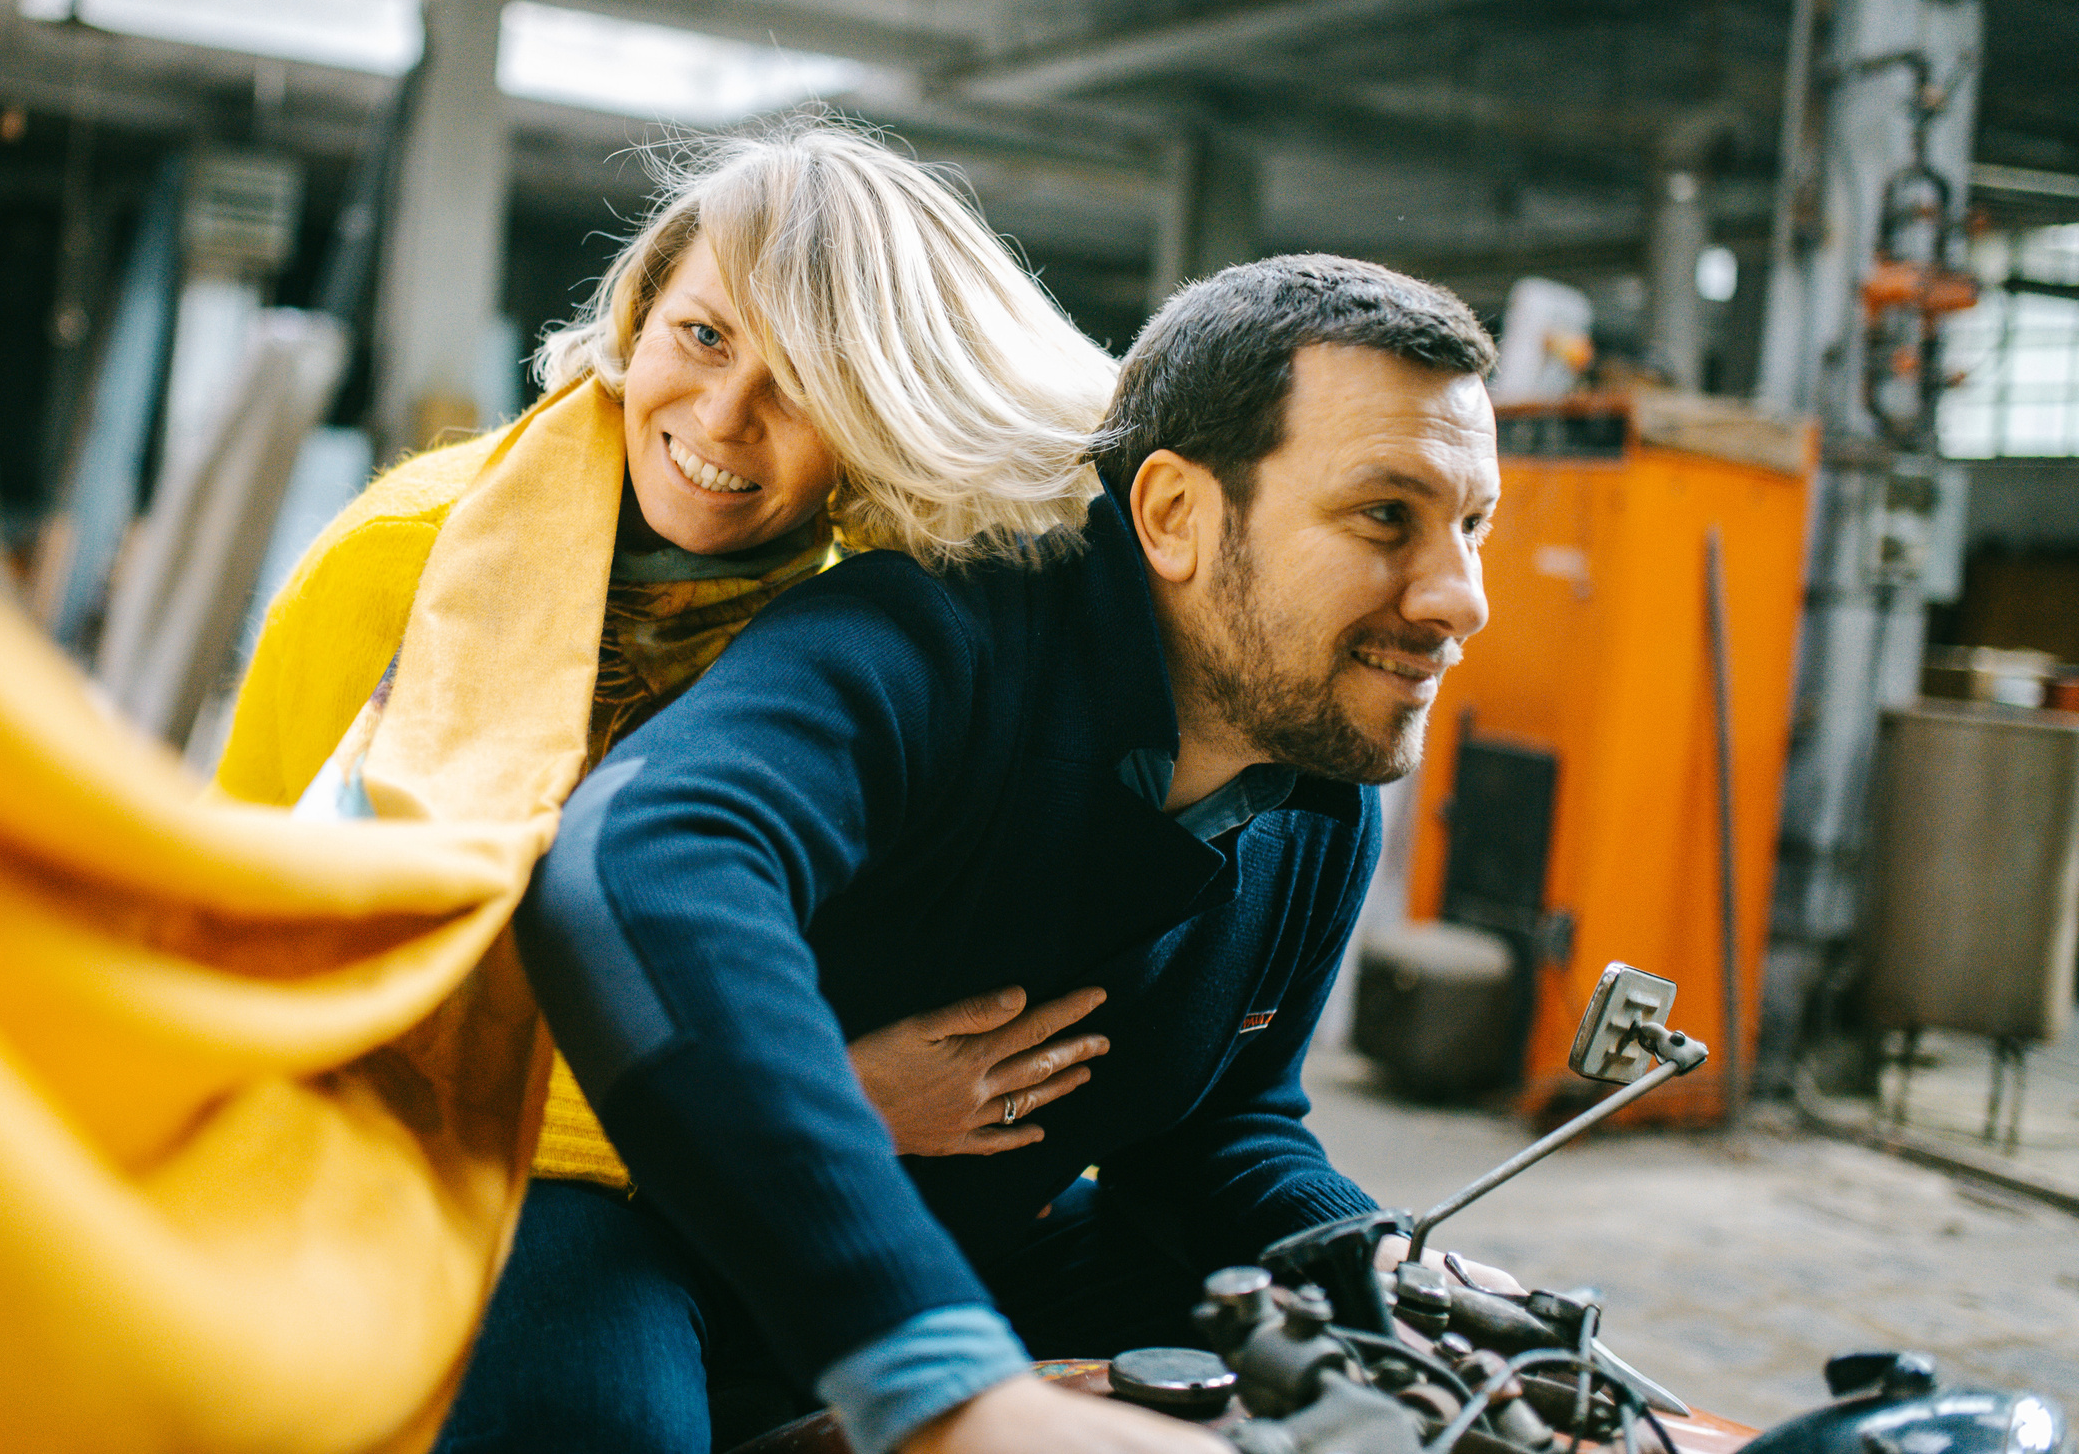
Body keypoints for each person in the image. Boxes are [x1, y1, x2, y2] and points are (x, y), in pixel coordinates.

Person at [500, 254, 1503, 1454]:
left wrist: (1375, 1266)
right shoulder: (936, 632)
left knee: (1355, 1377)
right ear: (1174, 516)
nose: (1460, 597)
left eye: (1472, 524)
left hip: (954, 1246)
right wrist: (938, 1376)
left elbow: (1217, 1129)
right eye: (1386, 516)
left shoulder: (1316, 800)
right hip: (632, 1220)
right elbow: (643, 860)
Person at [209, 118, 1131, 1376]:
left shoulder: (859, 611)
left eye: (804, 383)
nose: (724, 415)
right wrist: (820, 1104)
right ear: (637, 313)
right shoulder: (403, 560)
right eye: (702, 335)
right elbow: (255, 954)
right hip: (388, 1156)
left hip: (707, 1166)